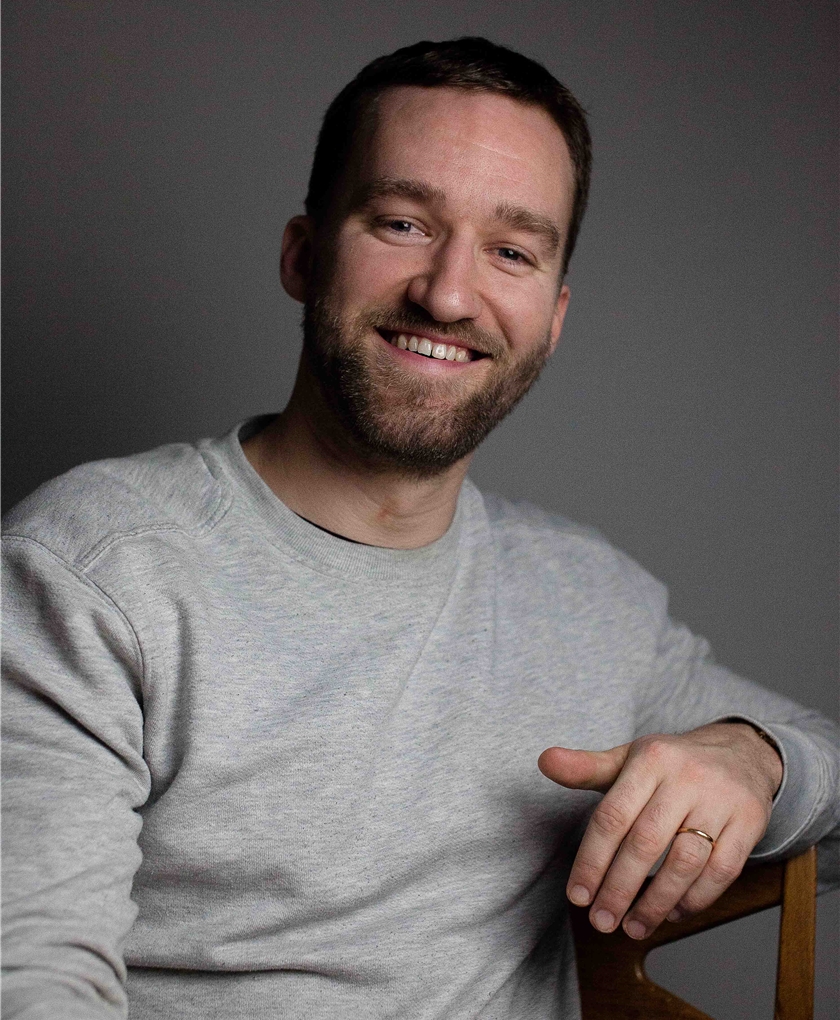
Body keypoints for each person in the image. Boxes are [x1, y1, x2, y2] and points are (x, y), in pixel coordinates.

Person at [2, 36, 838, 1020]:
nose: (446, 294)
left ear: (553, 315)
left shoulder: (588, 598)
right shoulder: (91, 570)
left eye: (512, 251)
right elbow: (35, 986)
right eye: (402, 223)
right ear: (304, 254)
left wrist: (758, 760)